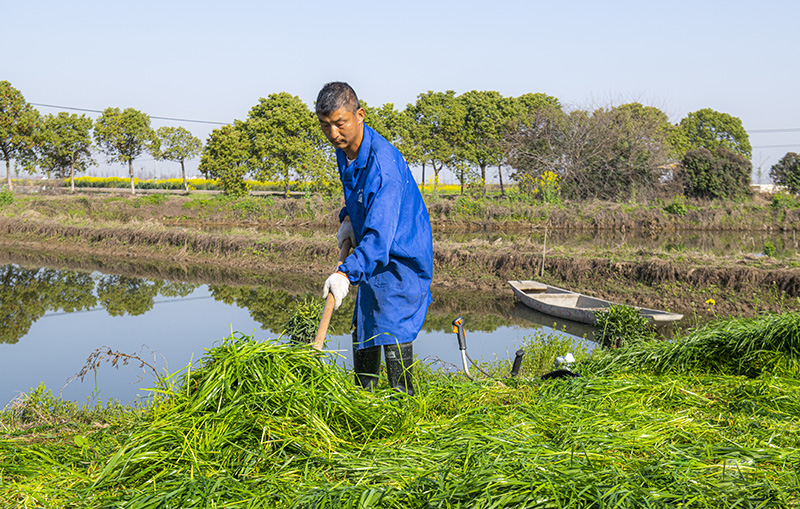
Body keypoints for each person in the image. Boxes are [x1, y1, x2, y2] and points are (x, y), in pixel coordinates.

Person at [315, 82, 433, 396]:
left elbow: (380, 238)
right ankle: (363, 399)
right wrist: (349, 219)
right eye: (326, 126)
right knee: (366, 323)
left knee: (391, 328)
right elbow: (357, 196)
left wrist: (344, 273)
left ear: (360, 115)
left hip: (400, 256)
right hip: (371, 250)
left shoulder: (384, 168)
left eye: (340, 123)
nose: (334, 134)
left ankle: (404, 406)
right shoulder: (346, 152)